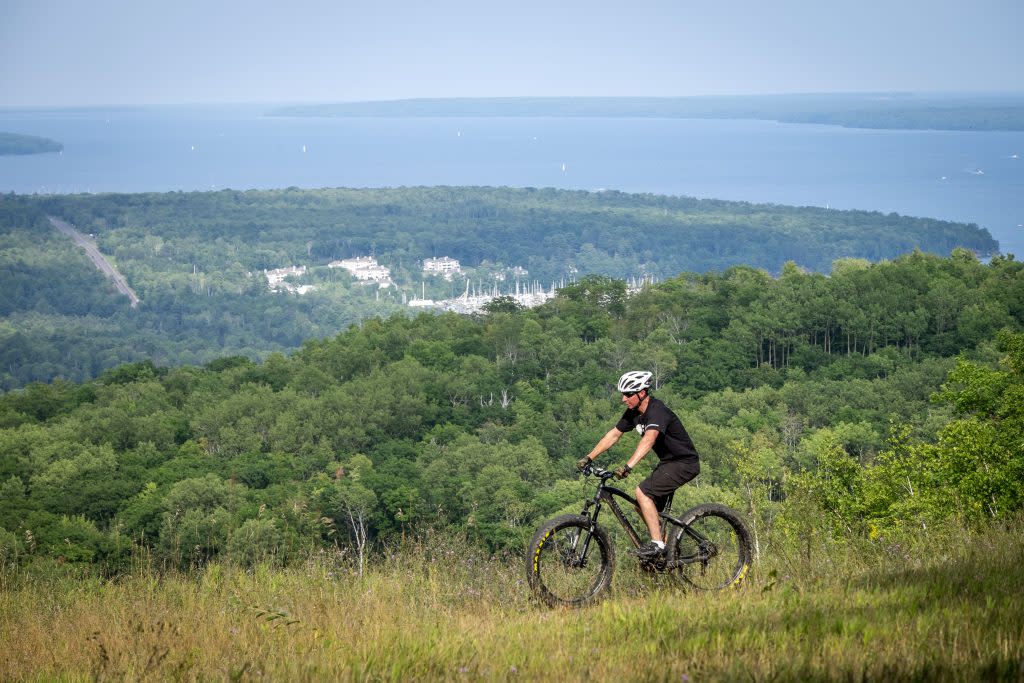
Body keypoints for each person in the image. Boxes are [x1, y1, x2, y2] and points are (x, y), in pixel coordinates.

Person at [577, 370, 700, 559]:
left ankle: (657, 544)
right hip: (668, 462)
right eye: (622, 394)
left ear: (641, 393)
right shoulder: (633, 413)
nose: (623, 399)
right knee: (640, 505)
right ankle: (667, 544)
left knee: (642, 492)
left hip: (684, 463)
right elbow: (614, 435)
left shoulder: (657, 411)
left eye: (627, 394)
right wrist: (589, 457)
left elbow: (649, 440)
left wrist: (628, 466)